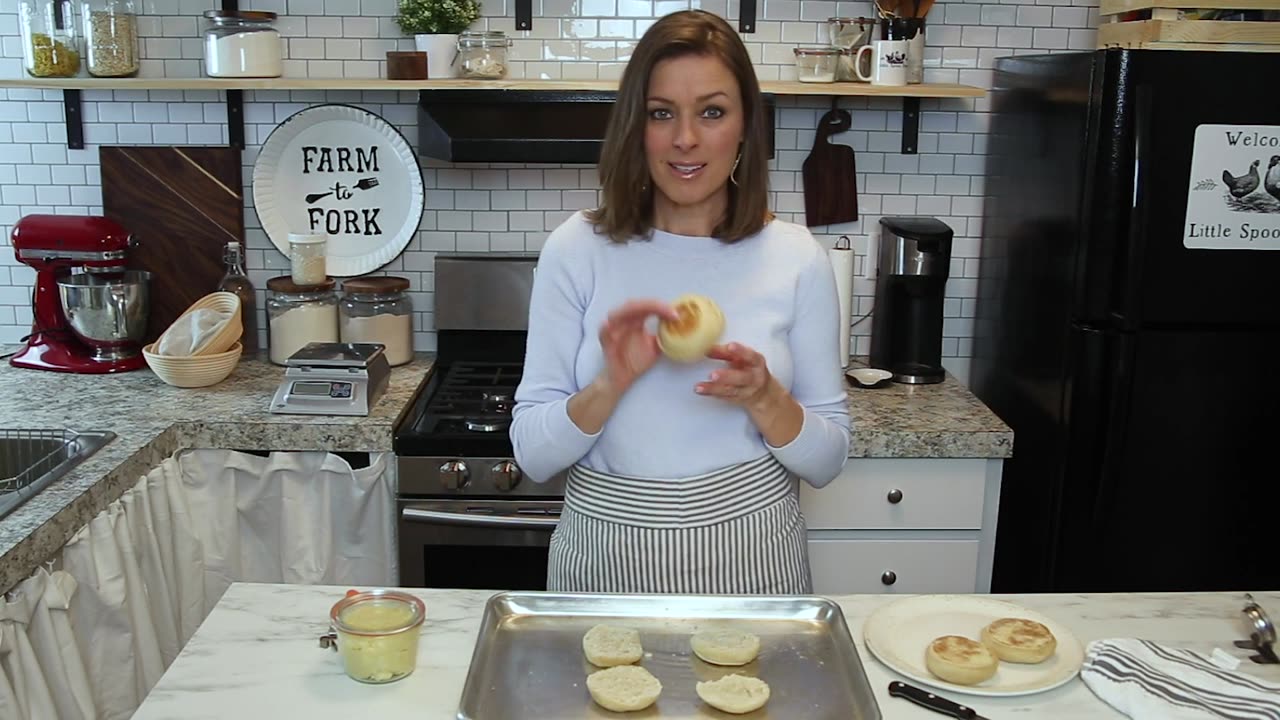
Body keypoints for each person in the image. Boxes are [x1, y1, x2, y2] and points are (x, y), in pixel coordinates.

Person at [510, 9, 850, 595]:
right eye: (661, 113)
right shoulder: (577, 248)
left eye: (712, 112)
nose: (685, 138)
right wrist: (609, 384)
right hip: (604, 572)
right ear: (634, 128)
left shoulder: (797, 258)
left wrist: (767, 398)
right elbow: (533, 455)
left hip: (753, 570)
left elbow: (828, 461)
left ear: (745, 124)